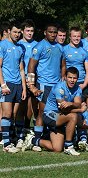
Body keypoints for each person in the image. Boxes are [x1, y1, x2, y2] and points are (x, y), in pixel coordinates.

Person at [23, 67, 85, 155]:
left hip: (61, 116)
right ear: (65, 77)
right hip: (50, 114)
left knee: (57, 148)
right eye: (70, 77)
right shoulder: (59, 87)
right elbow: (63, 108)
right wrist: (80, 109)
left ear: (77, 79)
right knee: (74, 116)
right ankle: (68, 146)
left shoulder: (78, 89)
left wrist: (71, 104)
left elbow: (78, 103)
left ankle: (33, 140)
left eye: (74, 78)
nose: (72, 80)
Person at [27, 23, 63, 152]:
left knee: (56, 112)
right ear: (45, 33)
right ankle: (36, 140)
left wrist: (62, 79)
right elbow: (31, 67)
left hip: (57, 85)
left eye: (55, 32)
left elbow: (62, 65)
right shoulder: (39, 46)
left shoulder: (59, 47)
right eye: (50, 32)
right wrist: (31, 86)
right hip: (44, 84)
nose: (53, 34)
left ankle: (47, 135)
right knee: (42, 112)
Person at [0, 21, 26, 153]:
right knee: (7, 113)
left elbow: (21, 69)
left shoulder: (21, 47)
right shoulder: (2, 45)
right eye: (15, 32)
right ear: (9, 31)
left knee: (13, 115)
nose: (17, 34)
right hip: (7, 84)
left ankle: (10, 138)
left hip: (18, 84)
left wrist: (24, 88)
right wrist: (3, 85)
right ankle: (6, 144)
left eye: (19, 32)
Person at [17, 19, 38, 143]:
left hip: (34, 79)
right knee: (21, 105)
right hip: (21, 79)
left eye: (32, 31)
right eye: (28, 30)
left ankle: (26, 127)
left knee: (32, 105)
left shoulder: (37, 44)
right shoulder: (18, 44)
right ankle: (18, 130)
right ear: (22, 31)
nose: (30, 33)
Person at [62, 26, 88, 95]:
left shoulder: (84, 52)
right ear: (70, 37)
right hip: (68, 82)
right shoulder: (64, 50)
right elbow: (61, 67)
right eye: (74, 36)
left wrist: (85, 84)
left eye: (78, 36)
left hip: (81, 82)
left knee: (82, 105)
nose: (76, 38)